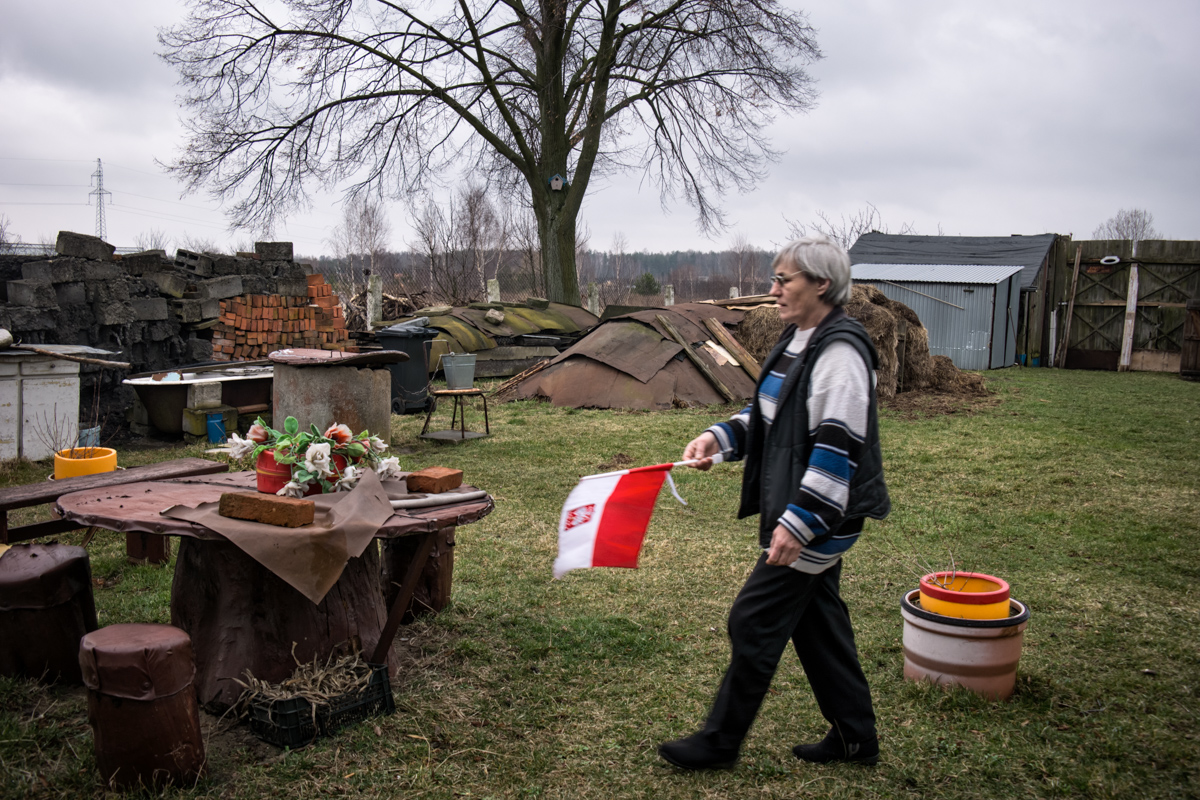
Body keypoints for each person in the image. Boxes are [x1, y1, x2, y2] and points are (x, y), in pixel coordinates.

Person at [658, 234, 890, 770]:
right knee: (817, 623)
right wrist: (721, 439)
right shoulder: (796, 339)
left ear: (822, 284)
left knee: (754, 620)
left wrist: (802, 523)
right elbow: (768, 414)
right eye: (776, 278)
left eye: (784, 279)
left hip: (821, 516)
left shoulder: (840, 354)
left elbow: (839, 448)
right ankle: (856, 738)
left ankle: (718, 743)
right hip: (802, 511)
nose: (774, 289)